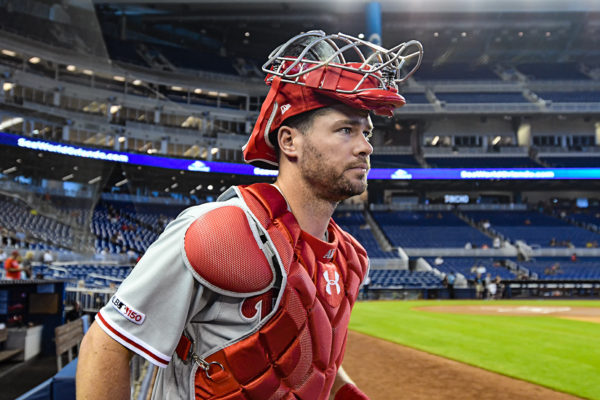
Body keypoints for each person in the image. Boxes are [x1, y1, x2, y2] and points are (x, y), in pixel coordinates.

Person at [76, 30, 423, 400]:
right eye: (345, 130)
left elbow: (308, 355)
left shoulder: (350, 257)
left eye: (367, 132)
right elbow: (107, 344)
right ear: (289, 141)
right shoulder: (218, 231)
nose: (365, 146)